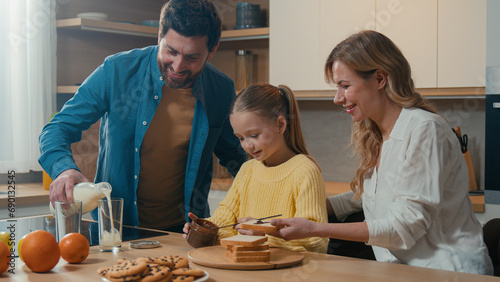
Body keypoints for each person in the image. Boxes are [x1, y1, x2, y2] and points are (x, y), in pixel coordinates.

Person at [270, 30, 494, 274]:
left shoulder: (425, 130)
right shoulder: (379, 135)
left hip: (449, 271)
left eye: (345, 86)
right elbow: (368, 195)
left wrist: (315, 228)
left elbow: (403, 227)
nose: (337, 98)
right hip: (402, 271)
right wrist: (305, 206)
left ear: (379, 79)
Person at [38, 0, 247, 232]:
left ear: (213, 49)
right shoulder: (117, 71)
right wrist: (64, 169)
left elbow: (240, 161)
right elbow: (57, 128)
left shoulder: (220, 89)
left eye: (192, 57)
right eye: (171, 51)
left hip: (185, 236)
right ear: (159, 36)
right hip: (116, 232)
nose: (178, 66)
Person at [183, 83, 329, 253]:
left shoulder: (305, 172)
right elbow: (226, 216)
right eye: (240, 138)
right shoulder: (247, 170)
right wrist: (207, 229)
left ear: (280, 125)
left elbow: (316, 242)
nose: (247, 146)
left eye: (254, 135)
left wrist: (263, 237)